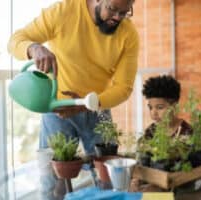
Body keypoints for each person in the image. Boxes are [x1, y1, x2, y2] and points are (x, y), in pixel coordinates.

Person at [8, 0, 139, 199]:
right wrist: (34, 48)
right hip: (56, 109)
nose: (117, 18)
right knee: (52, 185)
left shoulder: (128, 35)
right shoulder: (64, 12)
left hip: (98, 108)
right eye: (112, 9)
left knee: (109, 182)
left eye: (124, 12)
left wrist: (85, 105)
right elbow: (16, 40)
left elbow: (124, 87)